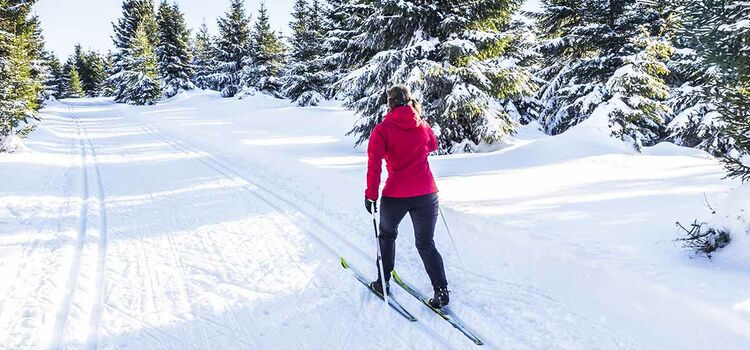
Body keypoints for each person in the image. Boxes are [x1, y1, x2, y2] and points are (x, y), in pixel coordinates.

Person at [364, 84, 449, 309]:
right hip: (426, 194)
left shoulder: (382, 129)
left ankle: (383, 283)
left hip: (396, 194)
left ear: (390, 103)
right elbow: (433, 144)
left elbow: (374, 165)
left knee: (387, 235)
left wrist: (371, 195)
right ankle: (441, 291)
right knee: (425, 243)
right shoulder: (421, 123)